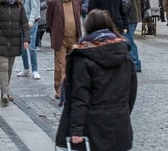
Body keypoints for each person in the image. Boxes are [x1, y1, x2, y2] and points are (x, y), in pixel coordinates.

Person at [55, 10, 137, 151]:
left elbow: (80, 97)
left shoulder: (84, 57)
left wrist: (76, 130)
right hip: (119, 123)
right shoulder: (124, 54)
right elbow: (132, 91)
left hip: (93, 127)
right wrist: (122, 113)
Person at [46, 0, 82, 98]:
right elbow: (49, 20)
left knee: (72, 64)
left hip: (74, 38)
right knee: (60, 66)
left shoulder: (78, 1)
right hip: (60, 38)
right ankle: (59, 89)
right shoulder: (53, 2)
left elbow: (78, 17)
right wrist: (56, 31)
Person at [18, 0, 42, 80]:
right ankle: (26, 68)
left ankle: (35, 70)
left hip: (31, 21)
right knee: (23, 45)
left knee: (31, 46)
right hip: (22, 20)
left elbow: (35, 7)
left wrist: (31, 21)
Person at [119, 0, 144, 72]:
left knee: (129, 41)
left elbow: (125, 4)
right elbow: (143, 1)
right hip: (136, 16)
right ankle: (129, 62)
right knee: (128, 39)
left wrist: (122, 14)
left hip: (129, 18)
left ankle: (136, 63)